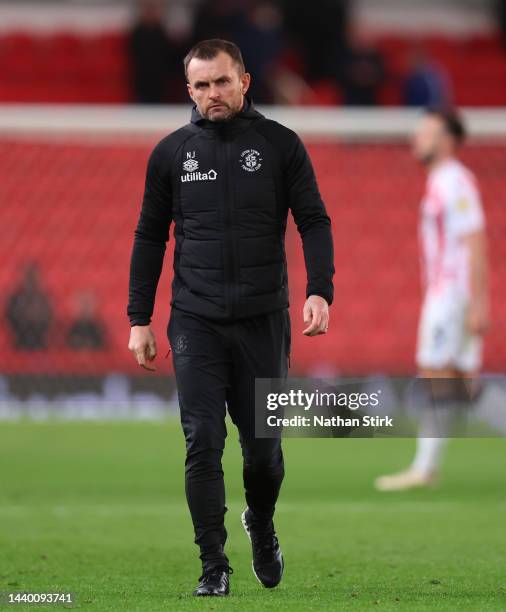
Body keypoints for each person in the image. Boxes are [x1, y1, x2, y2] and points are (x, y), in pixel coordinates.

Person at [127, 39, 334, 596]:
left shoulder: (280, 145)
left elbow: (313, 219)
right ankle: (213, 565)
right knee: (202, 439)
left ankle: (261, 524)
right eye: (201, 85)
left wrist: (320, 291)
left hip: (264, 318)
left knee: (264, 452)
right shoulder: (171, 153)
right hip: (195, 319)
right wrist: (138, 318)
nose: (212, 94)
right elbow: (149, 236)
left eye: (221, 82)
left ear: (244, 81)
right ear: (188, 90)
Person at [375, 109, 489, 492]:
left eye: (427, 132)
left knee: (440, 376)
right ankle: (426, 467)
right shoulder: (442, 181)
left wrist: (478, 303)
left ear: (448, 139)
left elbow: (475, 242)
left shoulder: (455, 181)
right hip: (448, 293)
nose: (417, 138)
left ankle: (425, 468)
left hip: (452, 294)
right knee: (459, 382)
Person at [5, 262, 53, 350]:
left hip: (40, 340)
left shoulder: (44, 298)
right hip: (19, 339)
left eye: (33, 275)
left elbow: (48, 318)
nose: (30, 279)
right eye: (27, 275)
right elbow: (9, 317)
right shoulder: (15, 298)